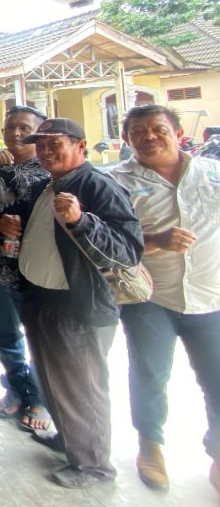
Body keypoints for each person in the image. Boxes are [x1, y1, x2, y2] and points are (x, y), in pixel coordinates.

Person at [8, 117, 143, 488]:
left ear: (80, 146)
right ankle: (70, 441)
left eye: (55, 143)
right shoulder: (48, 185)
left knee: (82, 387)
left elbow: (128, 252)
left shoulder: (97, 185)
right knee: (54, 380)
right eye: (41, 144)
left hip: (76, 304)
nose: (45, 150)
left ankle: (94, 466)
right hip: (41, 297)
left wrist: (82, 220)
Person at [110, 105, 220, 493]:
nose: (149, 136)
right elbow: (107, 241)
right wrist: (155, 241)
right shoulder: (116, 181)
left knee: (216, 378)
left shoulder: (213, 173)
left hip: (211, 295)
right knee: (150, 374)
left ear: (177, 132)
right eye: (138, 131)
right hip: (150, 297)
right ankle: (150, 444)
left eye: (158, 128)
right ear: (127, 139)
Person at [0, 106, 51, 433]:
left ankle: (41, 396)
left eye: (24, 128)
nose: (16, 133)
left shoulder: (50, 169)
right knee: (4, 335)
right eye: (10, 127)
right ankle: (18, 388)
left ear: (39, 132)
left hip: (39, 271)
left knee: (41, 338)